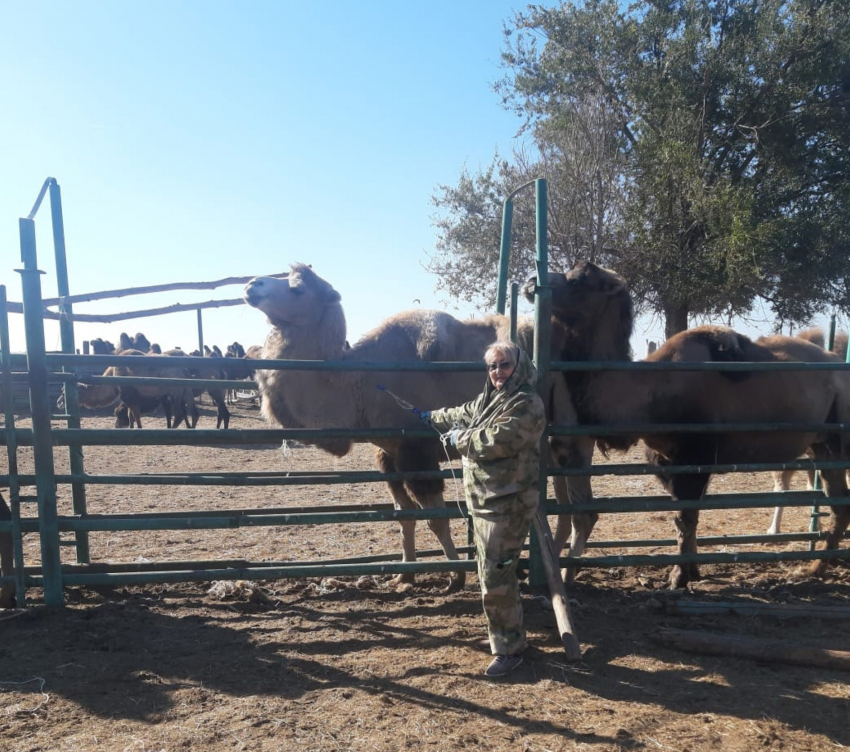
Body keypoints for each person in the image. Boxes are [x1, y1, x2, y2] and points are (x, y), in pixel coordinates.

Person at [423, 341, 546, 677]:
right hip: (485, 504)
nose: (497, 373)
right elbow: (460, 413)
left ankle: (510, 649)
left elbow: (497, 441)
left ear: (518, 366)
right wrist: (431, 417)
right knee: (491, 573)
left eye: (503, 365)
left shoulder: (527, 404)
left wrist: (458, 440)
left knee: (496, 576)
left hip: (509, 505)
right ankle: (505, 637)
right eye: (492, 367)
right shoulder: (490, 400)